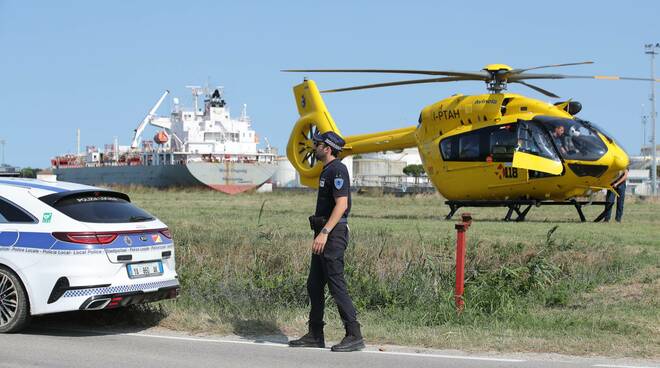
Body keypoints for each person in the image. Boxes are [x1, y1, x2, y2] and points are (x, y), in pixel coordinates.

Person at [288, 131, 365, 352]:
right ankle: (315, 334)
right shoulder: (327, 169)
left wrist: (325, 232)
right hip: (323, 232)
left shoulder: (337, 169)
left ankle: (354, 334)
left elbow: (341, 205)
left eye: (318, 144)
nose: (314, 146)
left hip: (332, 233)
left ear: (328, 148)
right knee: (314, 284)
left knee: (336, 284)